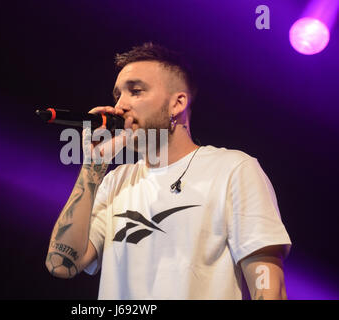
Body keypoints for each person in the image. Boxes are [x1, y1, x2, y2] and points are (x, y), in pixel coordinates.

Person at [45, 42, 292, 300]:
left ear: (178, 104)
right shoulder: (115, 182)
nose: (121, 105)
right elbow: (61, 265)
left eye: (136, 91)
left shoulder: (233, 170)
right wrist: (93, 164)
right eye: (118, 95)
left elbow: (269, 288)